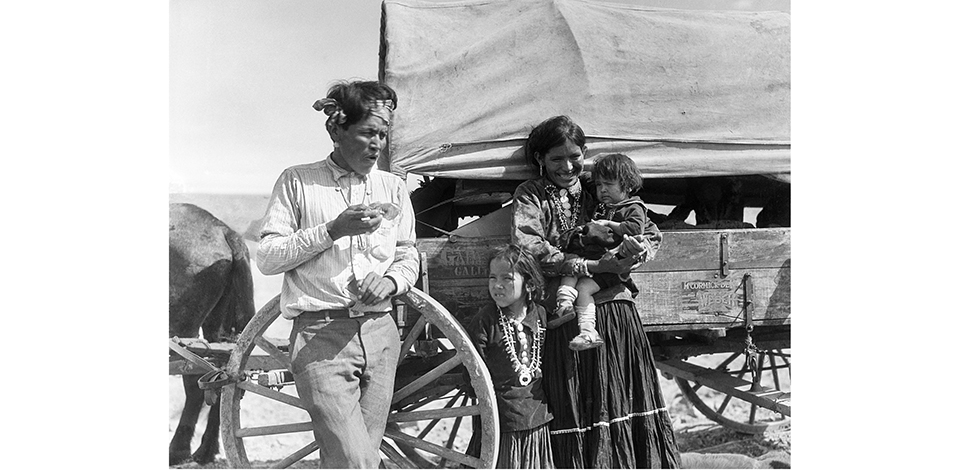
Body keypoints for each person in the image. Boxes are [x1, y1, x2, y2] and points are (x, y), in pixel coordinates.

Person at [256, 80, 419, 468]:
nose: (377, 144)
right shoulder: (297, 182)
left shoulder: (393, 188)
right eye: (366, 133)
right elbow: (267, 257)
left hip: (382, 337)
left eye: (383, 134)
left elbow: (408, 254)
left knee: (345, 461)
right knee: (358, 462)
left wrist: (391, 281)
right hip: (321, 340)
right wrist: (332, 231)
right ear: (336, 130)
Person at [511, 115, 681, 468]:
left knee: (617, 401)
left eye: (575, 156)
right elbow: (528, 247)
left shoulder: (599, 187)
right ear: (540, 159)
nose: (568, 166)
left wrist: (633, 253)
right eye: (557, 158)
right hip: (562, 315)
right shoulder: (530, 195)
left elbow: (650, 232)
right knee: (573, 405)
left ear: (585, 153)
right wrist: (589, 267)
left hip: (614, 312)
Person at [554, 153, 658, 352]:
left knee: (583, 287)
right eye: (599, 185)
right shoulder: (604, 206)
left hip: (613, 269)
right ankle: (565, 305)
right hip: (597, 263)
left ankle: (587, 330)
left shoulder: (633, 207)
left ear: (627, 185)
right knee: (571, 269)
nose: (602, 190)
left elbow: (635, 230)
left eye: (608, 184)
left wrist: (609, 224)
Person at [466, 244, 555, 469]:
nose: (497, 285)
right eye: (492, 278)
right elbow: (473, 373)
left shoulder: (540, 315)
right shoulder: (485, 320)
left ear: (530, 284)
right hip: (499, 419)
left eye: (507, 278)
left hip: (536, 416)